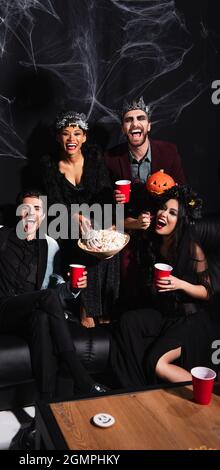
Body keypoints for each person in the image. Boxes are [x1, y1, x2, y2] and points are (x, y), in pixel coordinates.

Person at [0, 153, 108, 400]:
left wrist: (73, 288)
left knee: (42, 320)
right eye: (27, 208)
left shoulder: (50, 246)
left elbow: (57, 292)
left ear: (44, 215)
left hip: (28, 314)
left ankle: (45, 407)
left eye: (37, 209)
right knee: (44, 301)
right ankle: (80, 376)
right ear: (19, 211)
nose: (31, 213)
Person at [110, 185, 216, 388]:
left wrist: (180, 284)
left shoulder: (192, 249)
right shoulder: (154, 239)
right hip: (166, 313)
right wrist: (138, 223)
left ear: (181, 221)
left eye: (172, 212)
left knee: (155, 362)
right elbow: (116, 225)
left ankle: (207, 392)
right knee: (127, 321)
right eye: (163, 209)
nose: (164, 214)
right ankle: (135, 389)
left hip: (190, 319)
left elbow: (207, 293)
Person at [41, 111, 120, 328]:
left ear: (84, 137)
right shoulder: (49, 165)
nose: (71, 139)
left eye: (76, 133)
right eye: (66, 134)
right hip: (64, 226)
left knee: (107, 242)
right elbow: (55, 205)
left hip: (96, 220)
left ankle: (106, 309)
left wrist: (108, 224)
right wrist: (73, 215)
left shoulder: (94, 159)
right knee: (85, 244)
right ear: (59, 138)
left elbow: (105, 195)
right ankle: (87, 309)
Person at [105, 96, 186, 230]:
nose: (135, 124)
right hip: (129, 227)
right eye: (128, 120)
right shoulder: (110, 158)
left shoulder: (169, 152)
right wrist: (113, 198)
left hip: (162, 226)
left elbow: (183, 194)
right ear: (123, 129)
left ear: (148, 126)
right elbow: (107, 209)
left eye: (140, 118)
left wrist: (173, 192)